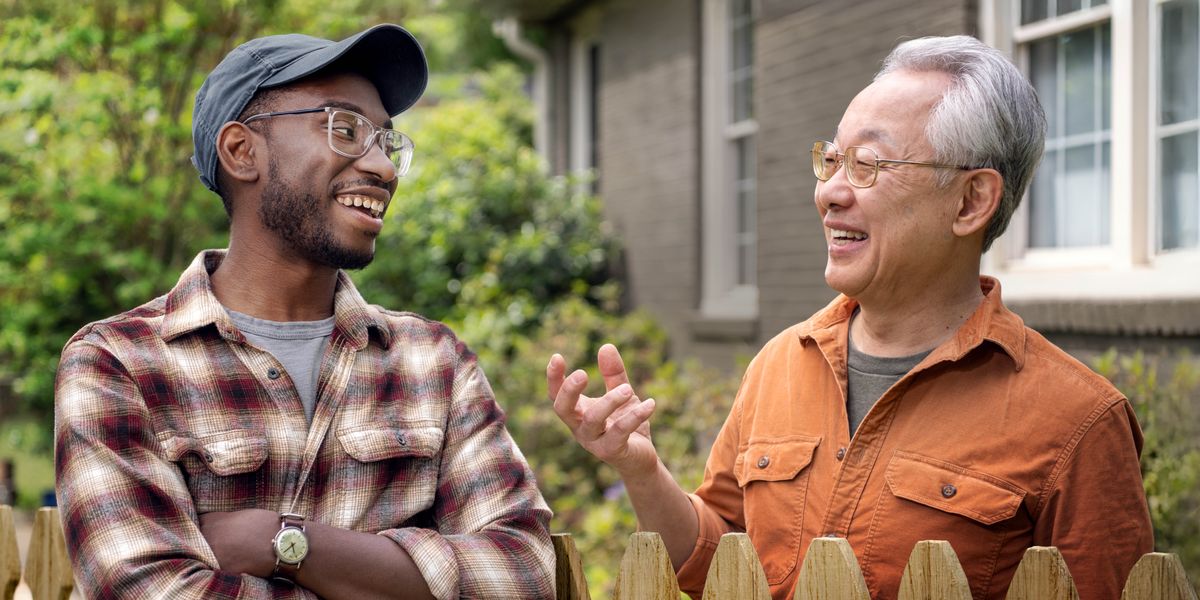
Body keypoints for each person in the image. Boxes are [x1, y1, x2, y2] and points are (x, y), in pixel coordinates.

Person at [548, 35, 1153, 600]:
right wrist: (641, 469)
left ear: (971, 201)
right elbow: (718, 562)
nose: (830, 192)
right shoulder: (779, 365)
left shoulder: (1079, 423)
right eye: (833, 159)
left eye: (867, 165)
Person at [54, 24, 554, 599]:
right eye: (345, 129)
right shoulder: (120, 365)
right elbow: (149, 590)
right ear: (243, 152)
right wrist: (395, 579)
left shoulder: (433, 363)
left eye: (387, 143)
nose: (385, 170)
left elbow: (526, 572)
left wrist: (285, 542)